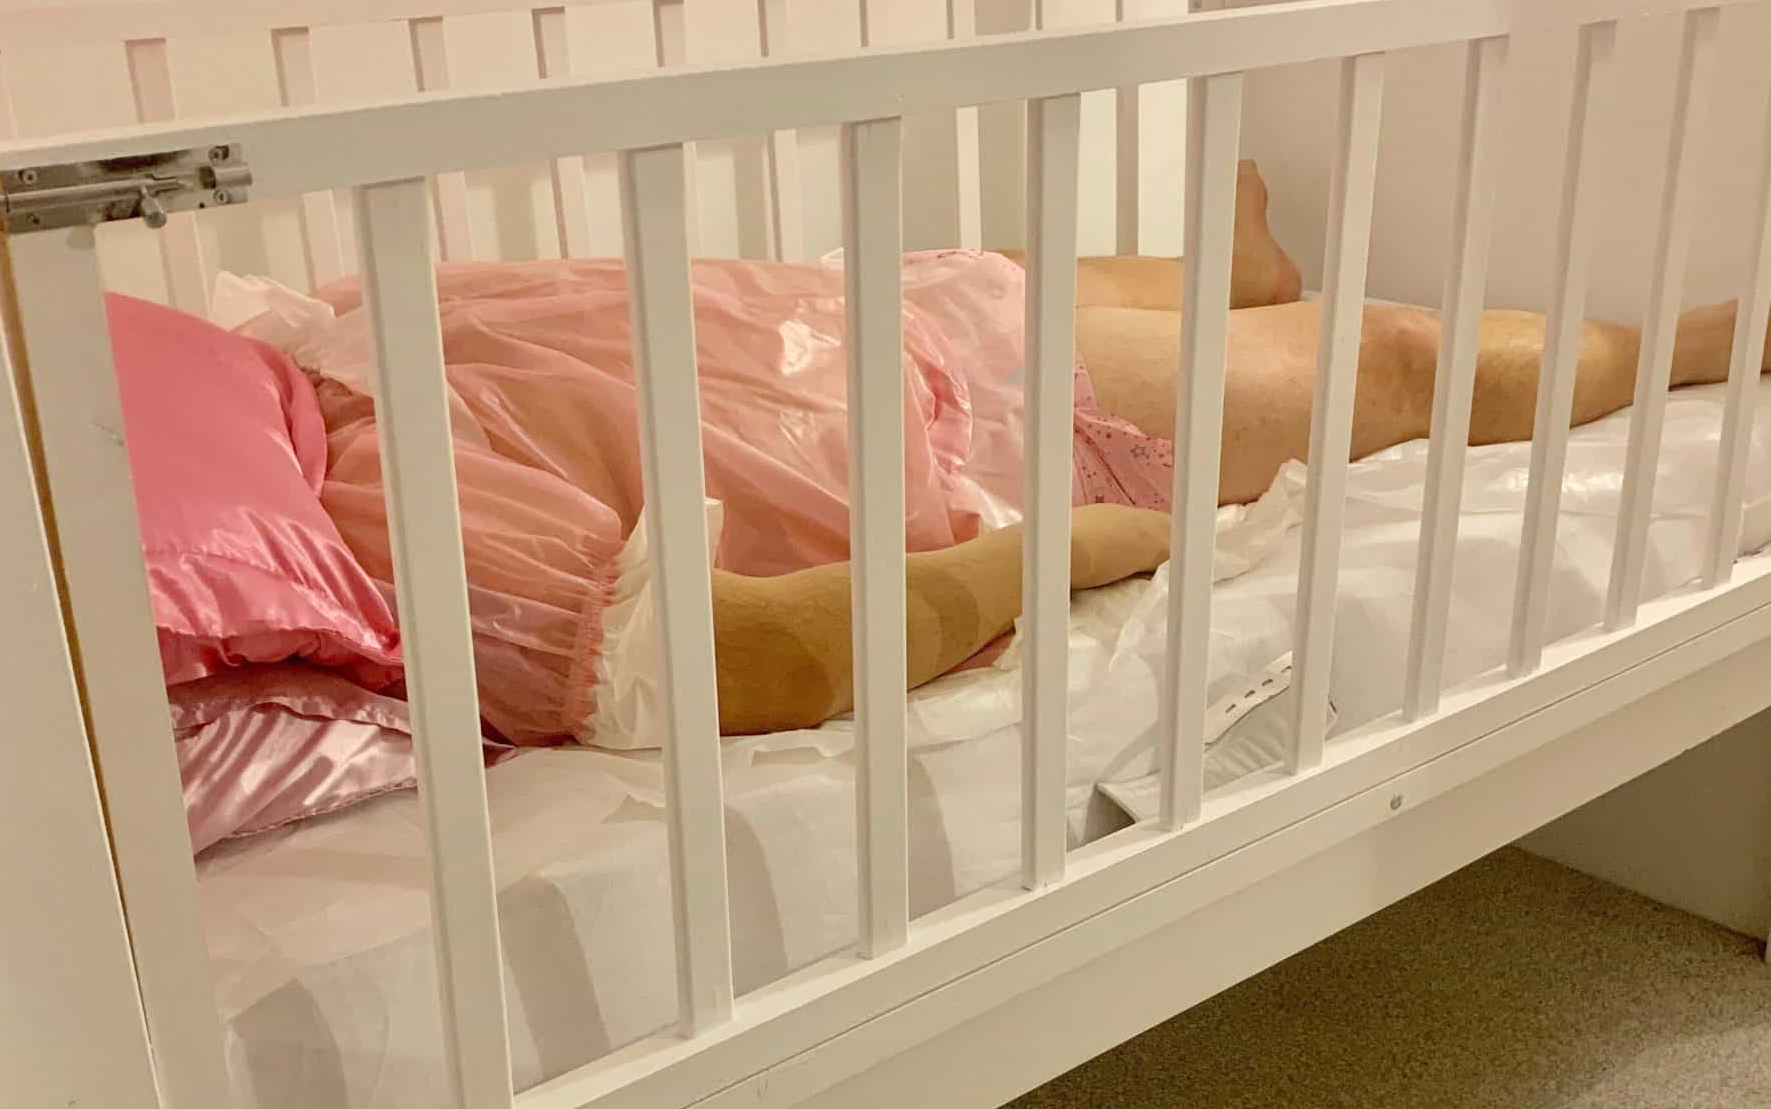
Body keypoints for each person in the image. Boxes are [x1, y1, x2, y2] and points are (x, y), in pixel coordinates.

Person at [711, 163, 1765, 735]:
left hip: (828, 328)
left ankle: (1229, 270)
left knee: (990, 279)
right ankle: (1712, 343)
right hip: (898, 415)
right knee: (1397, 358)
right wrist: (1077, 549)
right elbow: (760, 657)